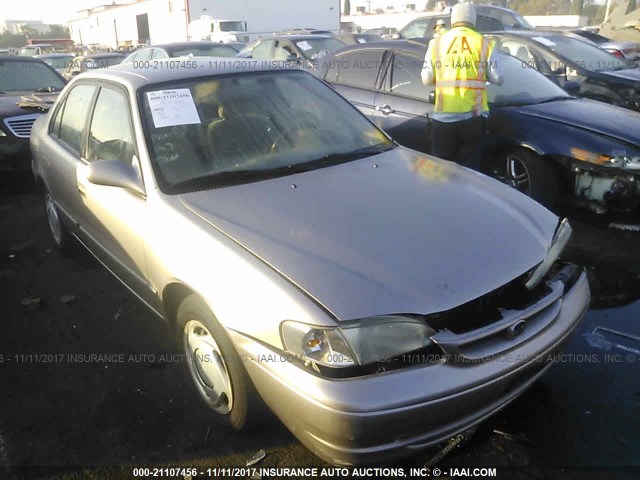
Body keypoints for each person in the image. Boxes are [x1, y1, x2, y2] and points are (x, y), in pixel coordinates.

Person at [421, 2, 502, 168]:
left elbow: (426, 79)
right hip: (472, 118)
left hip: (443, 120)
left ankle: (443, 194)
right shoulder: (484, 44)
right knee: (470, 170)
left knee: (440, 168)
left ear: (452, 19)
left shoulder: (437, 43)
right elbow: (498, 78)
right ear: (473, 20)